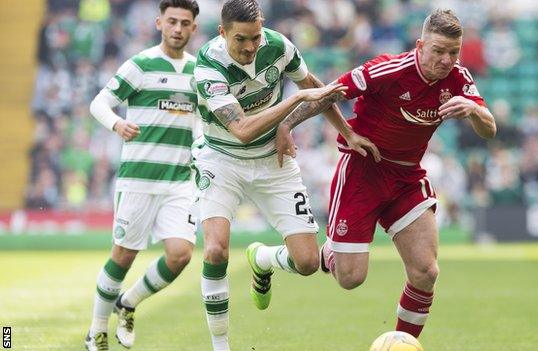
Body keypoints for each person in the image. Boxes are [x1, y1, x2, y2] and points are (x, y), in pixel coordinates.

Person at [276, 9, 496, 339]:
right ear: (420, 45)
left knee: (426, 271)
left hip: (407, 178)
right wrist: (286, 125)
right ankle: (273, 257)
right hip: (363, 173)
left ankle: (401, 345)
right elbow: (329, 94)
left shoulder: (459, 79)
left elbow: (489, 129)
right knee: (351, 278)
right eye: (438, 51)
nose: (446, 59)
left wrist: (475, 110)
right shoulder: (388, 70)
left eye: (453, 52)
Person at [191, 1, 377, 350]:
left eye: (255, 38)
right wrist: (294, 104)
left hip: (272, 160)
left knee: (307, 262)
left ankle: (261, 259)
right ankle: (220, 346)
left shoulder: (278, 45)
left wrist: (347, 132)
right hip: (221, 160)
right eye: (240, 40)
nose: (250, 47)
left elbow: (315, 87)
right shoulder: (208, 67)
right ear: (222, 33)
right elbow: (242, 130)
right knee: (215, 250)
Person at [85, 1, 200, 350]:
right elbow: (99, 103)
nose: (178, 28)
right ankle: (97, 330)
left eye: (184, 23)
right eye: (172, 22)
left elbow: (201, 118)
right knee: (124, 254)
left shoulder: (200, 71)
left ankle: (129, 302)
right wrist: (117, 123)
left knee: (180, 254)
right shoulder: (140, 64)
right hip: (139, 180)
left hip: (180, 181)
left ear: (194, 28)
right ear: (159, 23)